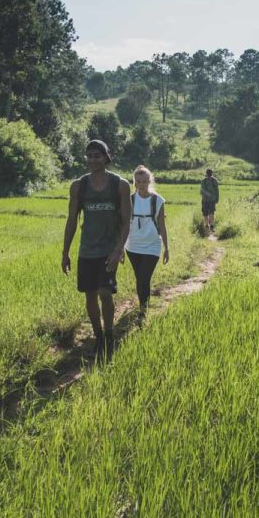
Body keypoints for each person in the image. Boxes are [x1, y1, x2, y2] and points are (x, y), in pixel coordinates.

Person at [62, 140, 131, 358]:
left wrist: (119, 249)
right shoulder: (78, 186)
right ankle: (98, 336)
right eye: (89, 155)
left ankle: (109, 334)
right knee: (89, 296)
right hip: (86, 251)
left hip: (108, 249)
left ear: (106, 157)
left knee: (105, 293)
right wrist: (65, 252)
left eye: (97, 155)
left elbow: (126, 221)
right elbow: (72, 220)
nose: (93, 160)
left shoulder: (120, 185)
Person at [125, 165, 169, 322]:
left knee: (144, 277)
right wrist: (120, 248)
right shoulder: (129, 200)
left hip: (152, 246)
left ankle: (143, 312)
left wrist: (167, 248)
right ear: (134, 182)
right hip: (132, 246)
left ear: (150, 181)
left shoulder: (158, 200)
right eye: (139, 181)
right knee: (139, 278)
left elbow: (162, 226)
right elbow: (123, 225)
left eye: (145, 181)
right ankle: (142, 305)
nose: (142, 184)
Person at [200, 168, 219, 232]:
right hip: (211, 200)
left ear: (206, 173)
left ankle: (208, 226)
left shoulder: (204, 181)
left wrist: (208, 195)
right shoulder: (214, 180)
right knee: (210, 213)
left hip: (206, 200)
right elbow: (217, 191)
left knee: (206, 213)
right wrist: (217, 199)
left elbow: (202, 190)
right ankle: (210, 226)